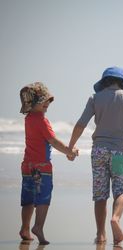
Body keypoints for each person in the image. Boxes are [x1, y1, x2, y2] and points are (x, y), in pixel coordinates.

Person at [68, 66, 123, 246]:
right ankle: (115, 219)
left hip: (98, 152)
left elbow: (81, 124)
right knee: (121, 190)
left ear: (104, 81)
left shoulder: (95, 98)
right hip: (120, 153)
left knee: (100, 194)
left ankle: (100, 234)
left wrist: (70, 146)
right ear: (122, 82)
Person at [19, 82, 79, 245]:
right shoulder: (42, 121)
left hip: (27, 166)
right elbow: (52, 141)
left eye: (48, 101)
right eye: (43, 101)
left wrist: (68, 151)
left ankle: (25, 228)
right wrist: (69, 151)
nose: (47, 104)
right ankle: (38, 227)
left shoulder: (28, 119)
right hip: (42, 168)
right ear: (33, 103)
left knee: (29, 199)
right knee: (43, 199)